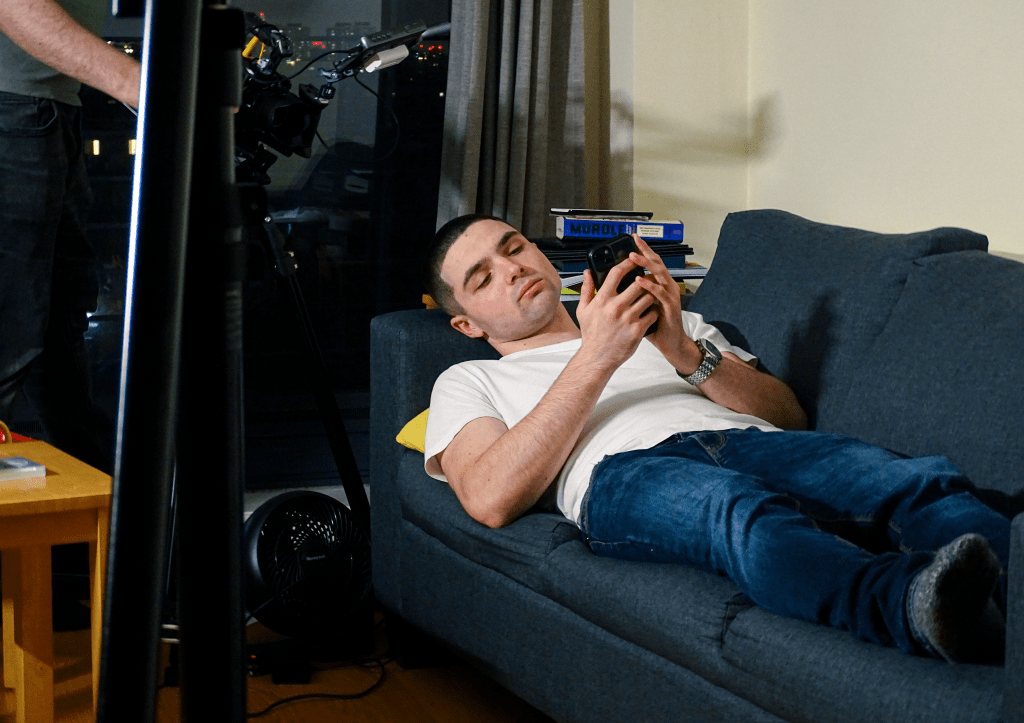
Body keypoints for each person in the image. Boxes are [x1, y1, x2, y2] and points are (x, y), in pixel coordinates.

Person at [422, 214, 1012, 664]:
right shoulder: (471, 379)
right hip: (625, 474)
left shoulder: (672, 322)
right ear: (466, 324)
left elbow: (787, 415)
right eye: (484, 278)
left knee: (903, 477)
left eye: (514, 248)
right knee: (739, 514)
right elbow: (491, 497)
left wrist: (682, 351)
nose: (514, 269)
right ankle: (913, 606)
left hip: (747, 439)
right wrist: (596, 355)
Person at [0, 0, 141, 630]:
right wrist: (135, 83)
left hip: (48, 111)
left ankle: (87, 606)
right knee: (9, 361)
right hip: (7, 115)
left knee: (56, 376)